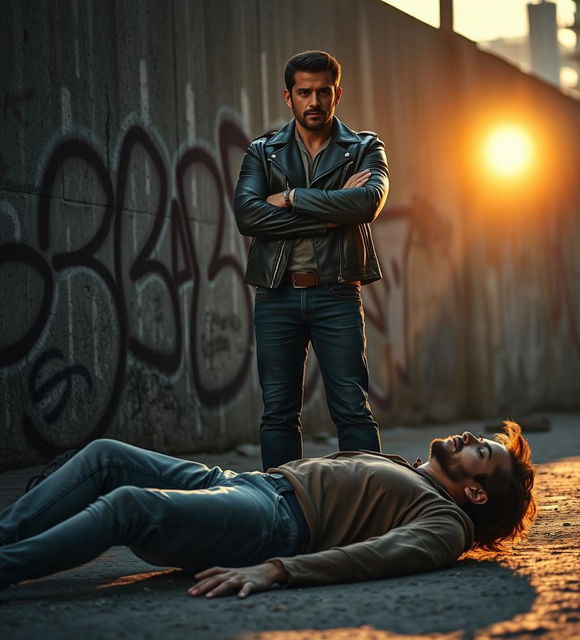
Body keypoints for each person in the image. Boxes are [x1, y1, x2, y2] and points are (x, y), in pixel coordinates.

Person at [0, 421, 536, 598]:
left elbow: (379, 556)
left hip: (270, 521)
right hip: (248, 484)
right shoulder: (414, 473)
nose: (469, 437)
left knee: (128, 505)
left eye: (480, 451)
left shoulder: (446, 524)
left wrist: (278, 569)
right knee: (105, 456)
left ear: (478, 493)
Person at [234, 50, 389, 470]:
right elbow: (248, 214)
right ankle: (281, 507)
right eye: (305, 92)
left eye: (323, 92)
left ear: (337, 93)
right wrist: (328, 219)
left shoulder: (363, 149)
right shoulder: (263, 152)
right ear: (289, 96)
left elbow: (368, 202)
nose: (314, 102)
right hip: (277, 295)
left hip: (336, 294)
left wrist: (290, 198)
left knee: (352, 410)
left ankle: (370, 502)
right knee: (279, 414)